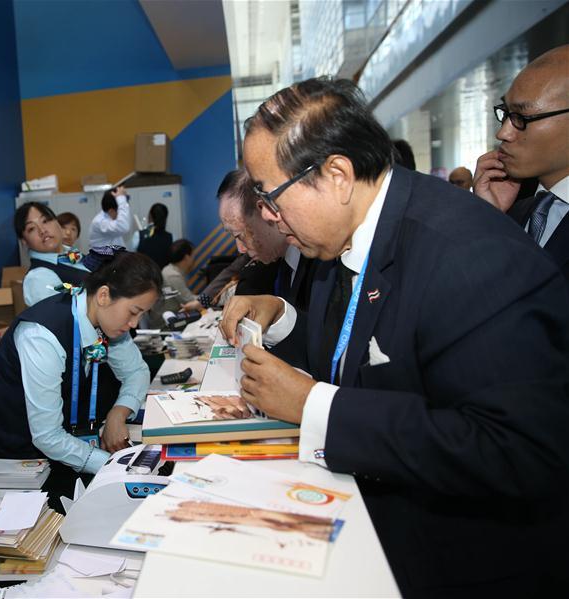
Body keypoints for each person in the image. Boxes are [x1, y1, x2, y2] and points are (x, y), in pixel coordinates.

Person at [220, 77, 569, 596]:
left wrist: (316, 407)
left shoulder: (467, 256)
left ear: (336, 174)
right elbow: (357, 355)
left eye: (270, 196)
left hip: (458, 562)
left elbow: (511, 448)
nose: (267, 216)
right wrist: (283, 318)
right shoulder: (345, 235)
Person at [0, 249, 160, 474]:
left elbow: (136, 371)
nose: (134, 323)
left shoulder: (106, 320)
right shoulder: (42, 335)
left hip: (70, 445)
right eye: (133, 312)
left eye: (141, 314)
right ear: (104, 295)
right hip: (22, 460)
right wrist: (114, 467)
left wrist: (119, 413)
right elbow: (47, 436)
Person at [473, 44, 569, 280]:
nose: (503, 133)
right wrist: (489, 218)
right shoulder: (510, 216)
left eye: (521, 117)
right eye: (505, 114)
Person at [217, 169, 314, 309]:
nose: (241, 249)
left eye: (239, 235)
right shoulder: (276, 264)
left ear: (265, 210)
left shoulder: (320, 260)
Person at [15, 202, 89, 307]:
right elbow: (65, 318)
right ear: (24, 241)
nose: (42, 230)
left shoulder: (73, 255)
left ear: (57, 222)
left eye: (45, 221)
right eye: (31, 228)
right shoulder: (38, 278)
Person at [150, 240, 202, 323]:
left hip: (172, 319)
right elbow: (189, 300)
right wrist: (211, 297)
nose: (194, 258)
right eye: (193, 255)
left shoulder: (171, 270)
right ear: (187, 257)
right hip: (166, 324)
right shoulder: (173, 276)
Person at [134, 203, 173, 267]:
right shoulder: (172, 238)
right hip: (163, 275)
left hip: (143, 275)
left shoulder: (138, 236)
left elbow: (131, 258)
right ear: (165, 219)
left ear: (150, 217)